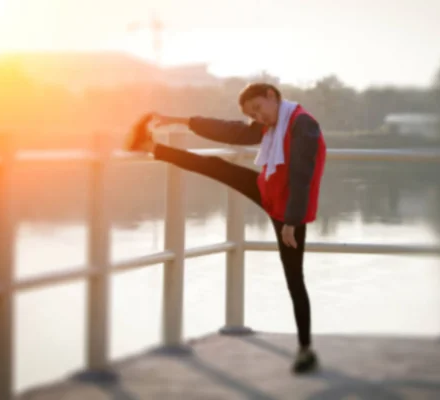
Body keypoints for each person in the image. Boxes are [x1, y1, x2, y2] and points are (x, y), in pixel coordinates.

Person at [124, 82, 326, 374]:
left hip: (290, 211)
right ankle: (149, 146)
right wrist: (178, 120)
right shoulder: (272, 123)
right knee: (217, 166)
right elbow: (232, 131)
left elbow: (302, 176)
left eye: (258, 109)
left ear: (272, 96)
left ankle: (306, 350)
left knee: (295, 280)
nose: (258, 118)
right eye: (251, 114)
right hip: (268, 190)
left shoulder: (301, 124)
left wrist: (291, 223)